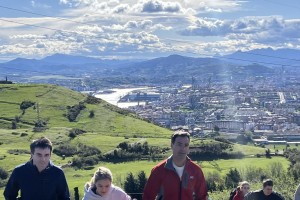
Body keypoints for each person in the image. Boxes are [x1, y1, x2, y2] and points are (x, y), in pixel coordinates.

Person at [143, 130, 208, 200]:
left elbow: (202, 196)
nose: (182, 149)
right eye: (179, 144)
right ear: (172, 145)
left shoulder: (196, 170)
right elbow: (148, 196)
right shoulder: (158, 170)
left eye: (186, 145)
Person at [3, 137, 70, 200]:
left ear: (50, 155)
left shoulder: (58, 173)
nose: (43, 159)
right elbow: (9, 195)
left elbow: (65, 198)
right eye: (39, 155)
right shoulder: (19, 171)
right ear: (32, 154)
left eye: (46, 155)